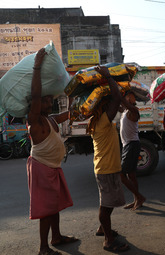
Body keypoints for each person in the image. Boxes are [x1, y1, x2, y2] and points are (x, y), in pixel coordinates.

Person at [26, 48, 78, 255]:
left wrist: (74, 95)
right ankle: (43, 248)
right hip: (41, 168)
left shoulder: (50, 119)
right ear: (36, 104)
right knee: (46, 209)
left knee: (54, 205)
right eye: (47, 100)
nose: (50, 100)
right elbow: (36, 94)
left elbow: (70, 114)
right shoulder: (35, 120)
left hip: (53, 168)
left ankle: (56, 237)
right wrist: (37, 66)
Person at [86, 65, 129, 252]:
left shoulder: (98, 120)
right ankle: (109, 240)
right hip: (106, 169)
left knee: (108, 203)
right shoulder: (103, 120)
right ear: (104, 107)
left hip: (106, 167)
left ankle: (103, 229)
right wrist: (109, 76)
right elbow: (118, 96)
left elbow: (116, 101)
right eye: (109, 104)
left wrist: (114, 103)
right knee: (106, 205)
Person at [119, 91, 146, 211]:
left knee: (121, 175)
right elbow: (118, 104)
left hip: (132, 145)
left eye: (129, 96)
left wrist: (120, 94)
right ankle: (136, 199)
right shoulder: (125, 111)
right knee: (131, 175)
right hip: (127, 145)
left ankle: (139, 197)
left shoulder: (133, 110)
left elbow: (124, 102)